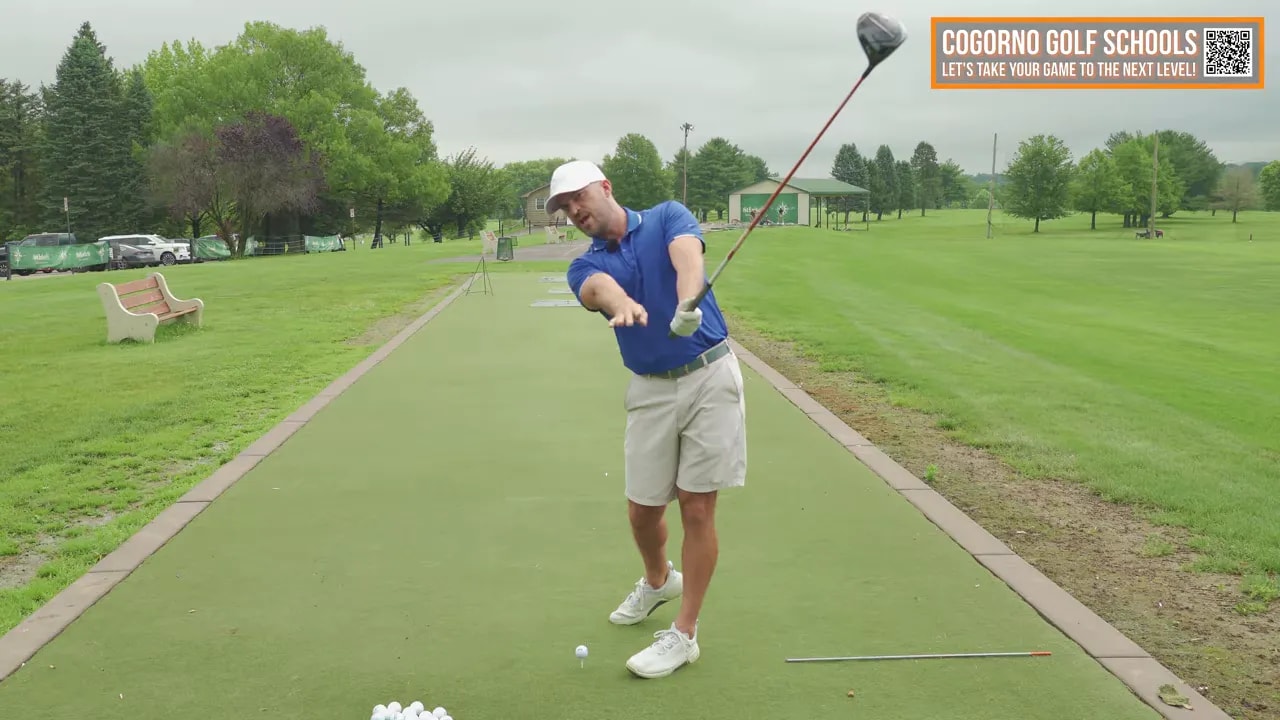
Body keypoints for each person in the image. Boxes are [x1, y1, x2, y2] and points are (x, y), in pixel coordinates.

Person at [550, 159, 748, 679]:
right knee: (642, 512)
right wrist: (623, 302)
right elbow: (597, 290)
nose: (574, 210)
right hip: (650, 390)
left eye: (579, 197)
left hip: (709, 375)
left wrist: (689, 302)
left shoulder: (667, 216)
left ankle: (684, 634)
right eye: (565, 207)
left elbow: (688, 258)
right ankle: (659, 581)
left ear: (606, 188)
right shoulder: (583, 264)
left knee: (698, 508)